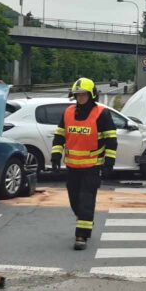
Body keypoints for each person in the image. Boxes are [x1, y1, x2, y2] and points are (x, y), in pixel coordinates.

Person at [51, 78, 117, 250]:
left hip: (92, 167)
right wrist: (55, 157)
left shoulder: (102, 114)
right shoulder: (67, 113)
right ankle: (85, 219)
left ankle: (81, 236)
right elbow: (59, 137)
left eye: (83, 95)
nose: (80, 98)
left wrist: (109, 164)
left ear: (91, 95)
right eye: (77, 95)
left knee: (86, 200)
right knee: (75, 201)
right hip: (72, 167)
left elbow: (111, 141)